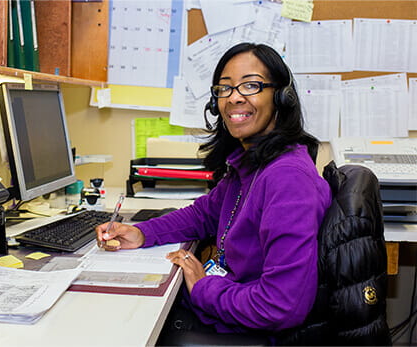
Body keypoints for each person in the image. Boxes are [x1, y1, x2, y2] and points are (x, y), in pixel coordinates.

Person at [96, 42, 332, 338]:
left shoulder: (287, 178)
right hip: (230, 305)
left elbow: (281, 306)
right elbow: (201, 215)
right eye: (225, 88)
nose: (234, 98)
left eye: (250, 86)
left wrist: (204, 287)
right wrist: (141, 233)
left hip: (248, 328)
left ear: (282, 97)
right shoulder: (252, 163)